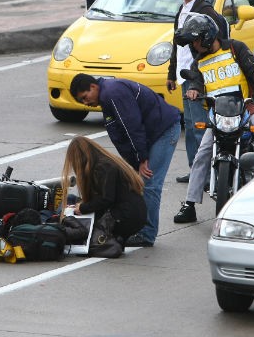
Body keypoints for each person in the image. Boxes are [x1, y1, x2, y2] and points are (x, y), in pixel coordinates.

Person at [172, 13, 254, 224]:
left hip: (247, 108)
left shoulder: (236, 48)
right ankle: (189, 205)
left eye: (196, 40)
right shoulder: (198, 63)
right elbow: (196, 82)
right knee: (202, 153)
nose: (193, 45)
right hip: (219, 116)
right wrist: (193, 90)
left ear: (207, 37)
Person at [69, 74, 180, 247]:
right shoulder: (106, 97)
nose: (85, 103)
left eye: (85, 97)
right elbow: (120, 136)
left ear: (93, 87)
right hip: (150, 135)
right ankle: (138, 228)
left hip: (164, 131)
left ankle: (147, 235)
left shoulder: (113, 93)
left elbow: (131, 126)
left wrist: (142, 158)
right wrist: (133, 163)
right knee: (138, 181)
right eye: (81, 101)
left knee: (149, 183)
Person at [165, 0, 228, 185]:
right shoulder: (182, 10)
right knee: (190, 125)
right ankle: (195, 170)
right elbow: (177, 45)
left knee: (201, 126)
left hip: (198, 77)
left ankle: (207, 174)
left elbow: (219, 41)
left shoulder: (205, 11)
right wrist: (171, 73)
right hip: (184, 75)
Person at [60, 136, 147, 245]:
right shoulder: (107, 160)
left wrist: (82, 208)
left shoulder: (103, 167)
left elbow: (106, 199)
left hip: (125, 217)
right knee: (74, 202)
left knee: (84, 231)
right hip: (135, 214)